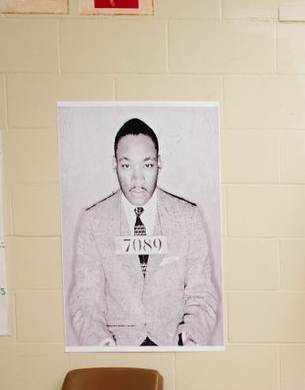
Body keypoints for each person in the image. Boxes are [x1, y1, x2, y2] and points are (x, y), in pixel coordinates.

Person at [68, 117, 218, 348]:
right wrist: (101, 344)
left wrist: (190, 339)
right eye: (127, 166)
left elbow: (203, 296)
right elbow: (86, 302)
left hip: (173, 348)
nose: (137, 180)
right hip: (119, 355)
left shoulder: (188, 218)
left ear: (159, 163)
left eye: (147, 165)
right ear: (114, 164)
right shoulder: (94, 222)